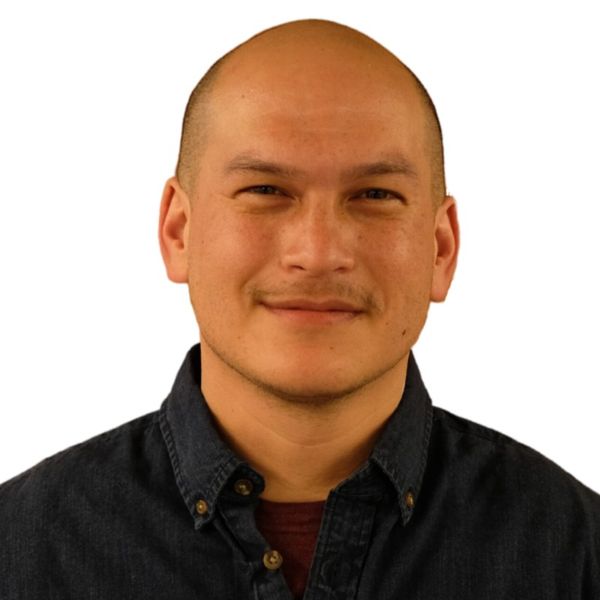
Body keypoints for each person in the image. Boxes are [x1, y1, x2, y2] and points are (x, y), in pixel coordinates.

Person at [1, 18, 598, 599]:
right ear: (179, 232)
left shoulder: (577, 554)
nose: (317, 254)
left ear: (440, 249)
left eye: (374, 195)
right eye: (265, 191)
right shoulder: (17, 550)